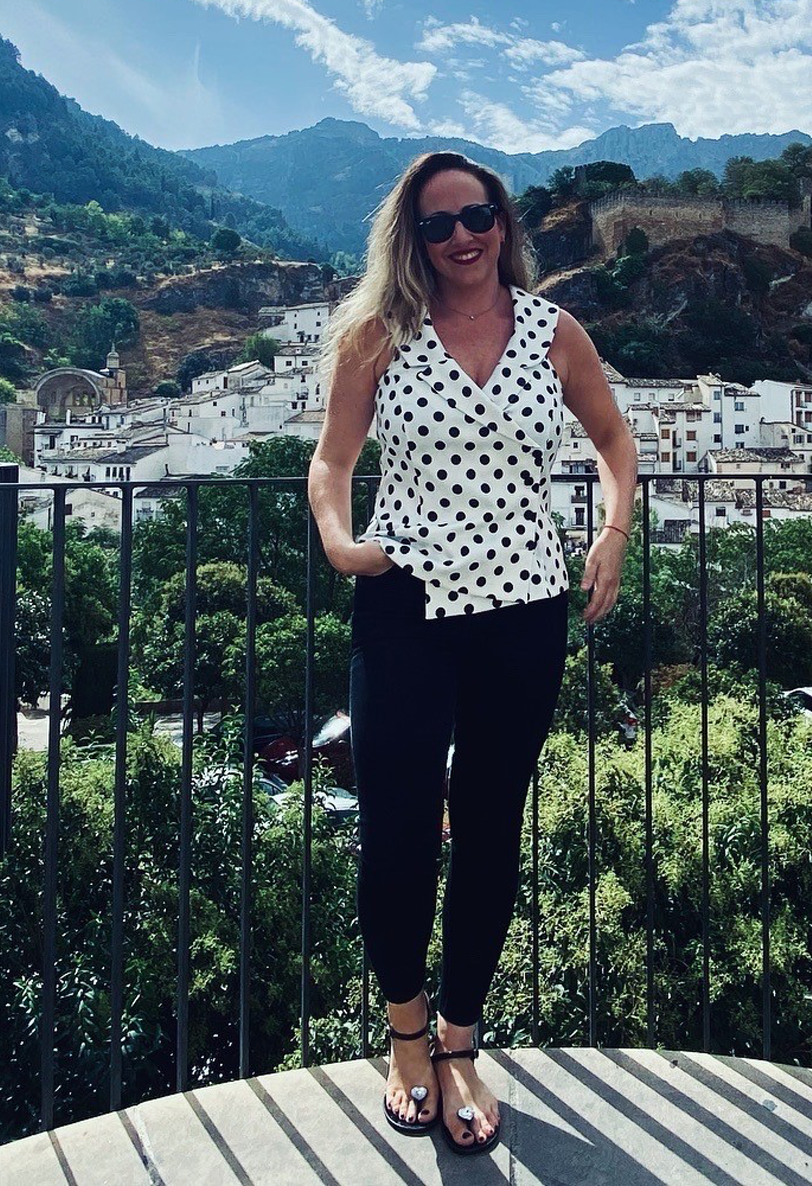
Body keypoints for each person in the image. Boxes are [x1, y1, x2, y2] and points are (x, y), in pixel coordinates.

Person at [307, 149, 638, 1155]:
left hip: (524, 609)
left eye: (477, 214)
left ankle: (460, 1040)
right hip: (405, 600)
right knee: (398, 827)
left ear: (503, 222)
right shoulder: (378, 332)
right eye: (438, 222)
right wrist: (339, 541)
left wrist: (611, 534)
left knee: (492, 827)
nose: (461, 236)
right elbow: (332, 458)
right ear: (412, 238)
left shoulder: (555, 332)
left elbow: (614, 442)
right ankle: (405, 1033)